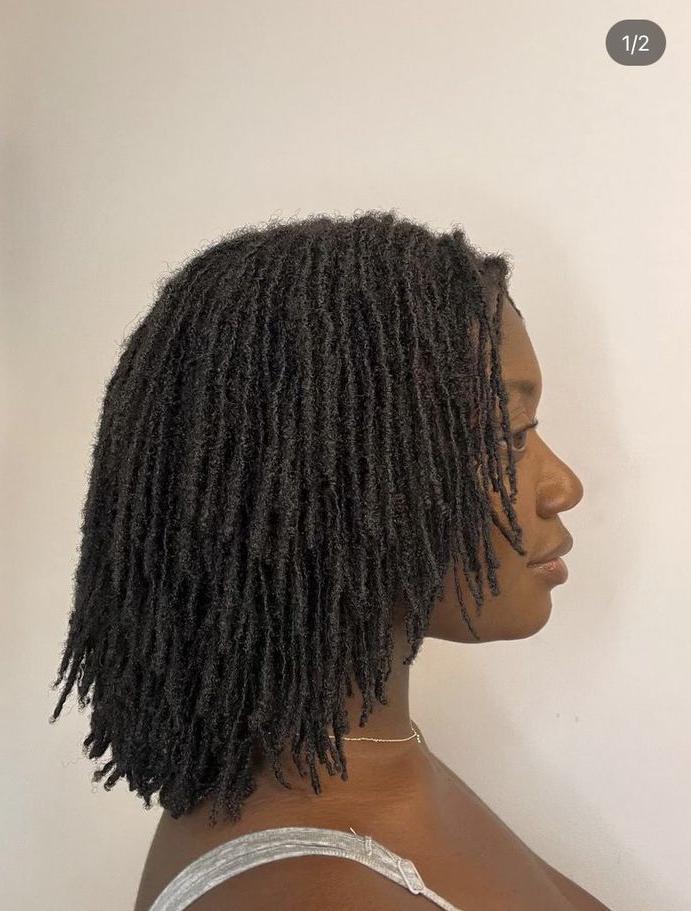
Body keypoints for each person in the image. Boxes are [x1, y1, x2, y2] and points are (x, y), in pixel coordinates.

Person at [51, 210, 611, 910]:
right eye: (510, 434)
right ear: (335, 476)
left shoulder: (368, 751)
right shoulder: (313, 892)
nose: (564, 485)